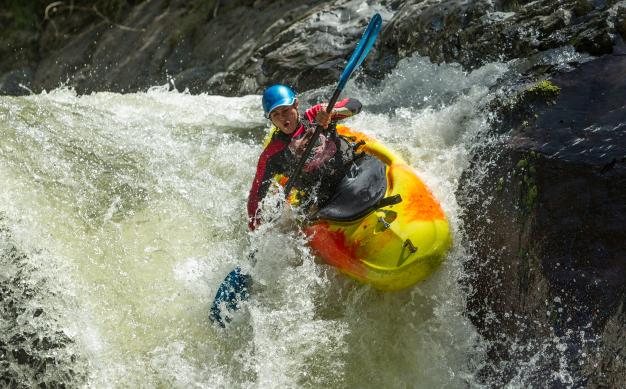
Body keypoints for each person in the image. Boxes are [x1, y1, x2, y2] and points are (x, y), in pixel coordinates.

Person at [247, 84, 363, 230]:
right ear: (270, 118)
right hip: (321, 197)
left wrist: (332, 112)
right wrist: (255, 224)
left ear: (295, 104)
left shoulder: (316, 115)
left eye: (285, 110)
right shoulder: (272, 154)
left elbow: (356, 105)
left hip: (349, 171)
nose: (282, 118)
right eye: (275, 114)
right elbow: (256, 194)